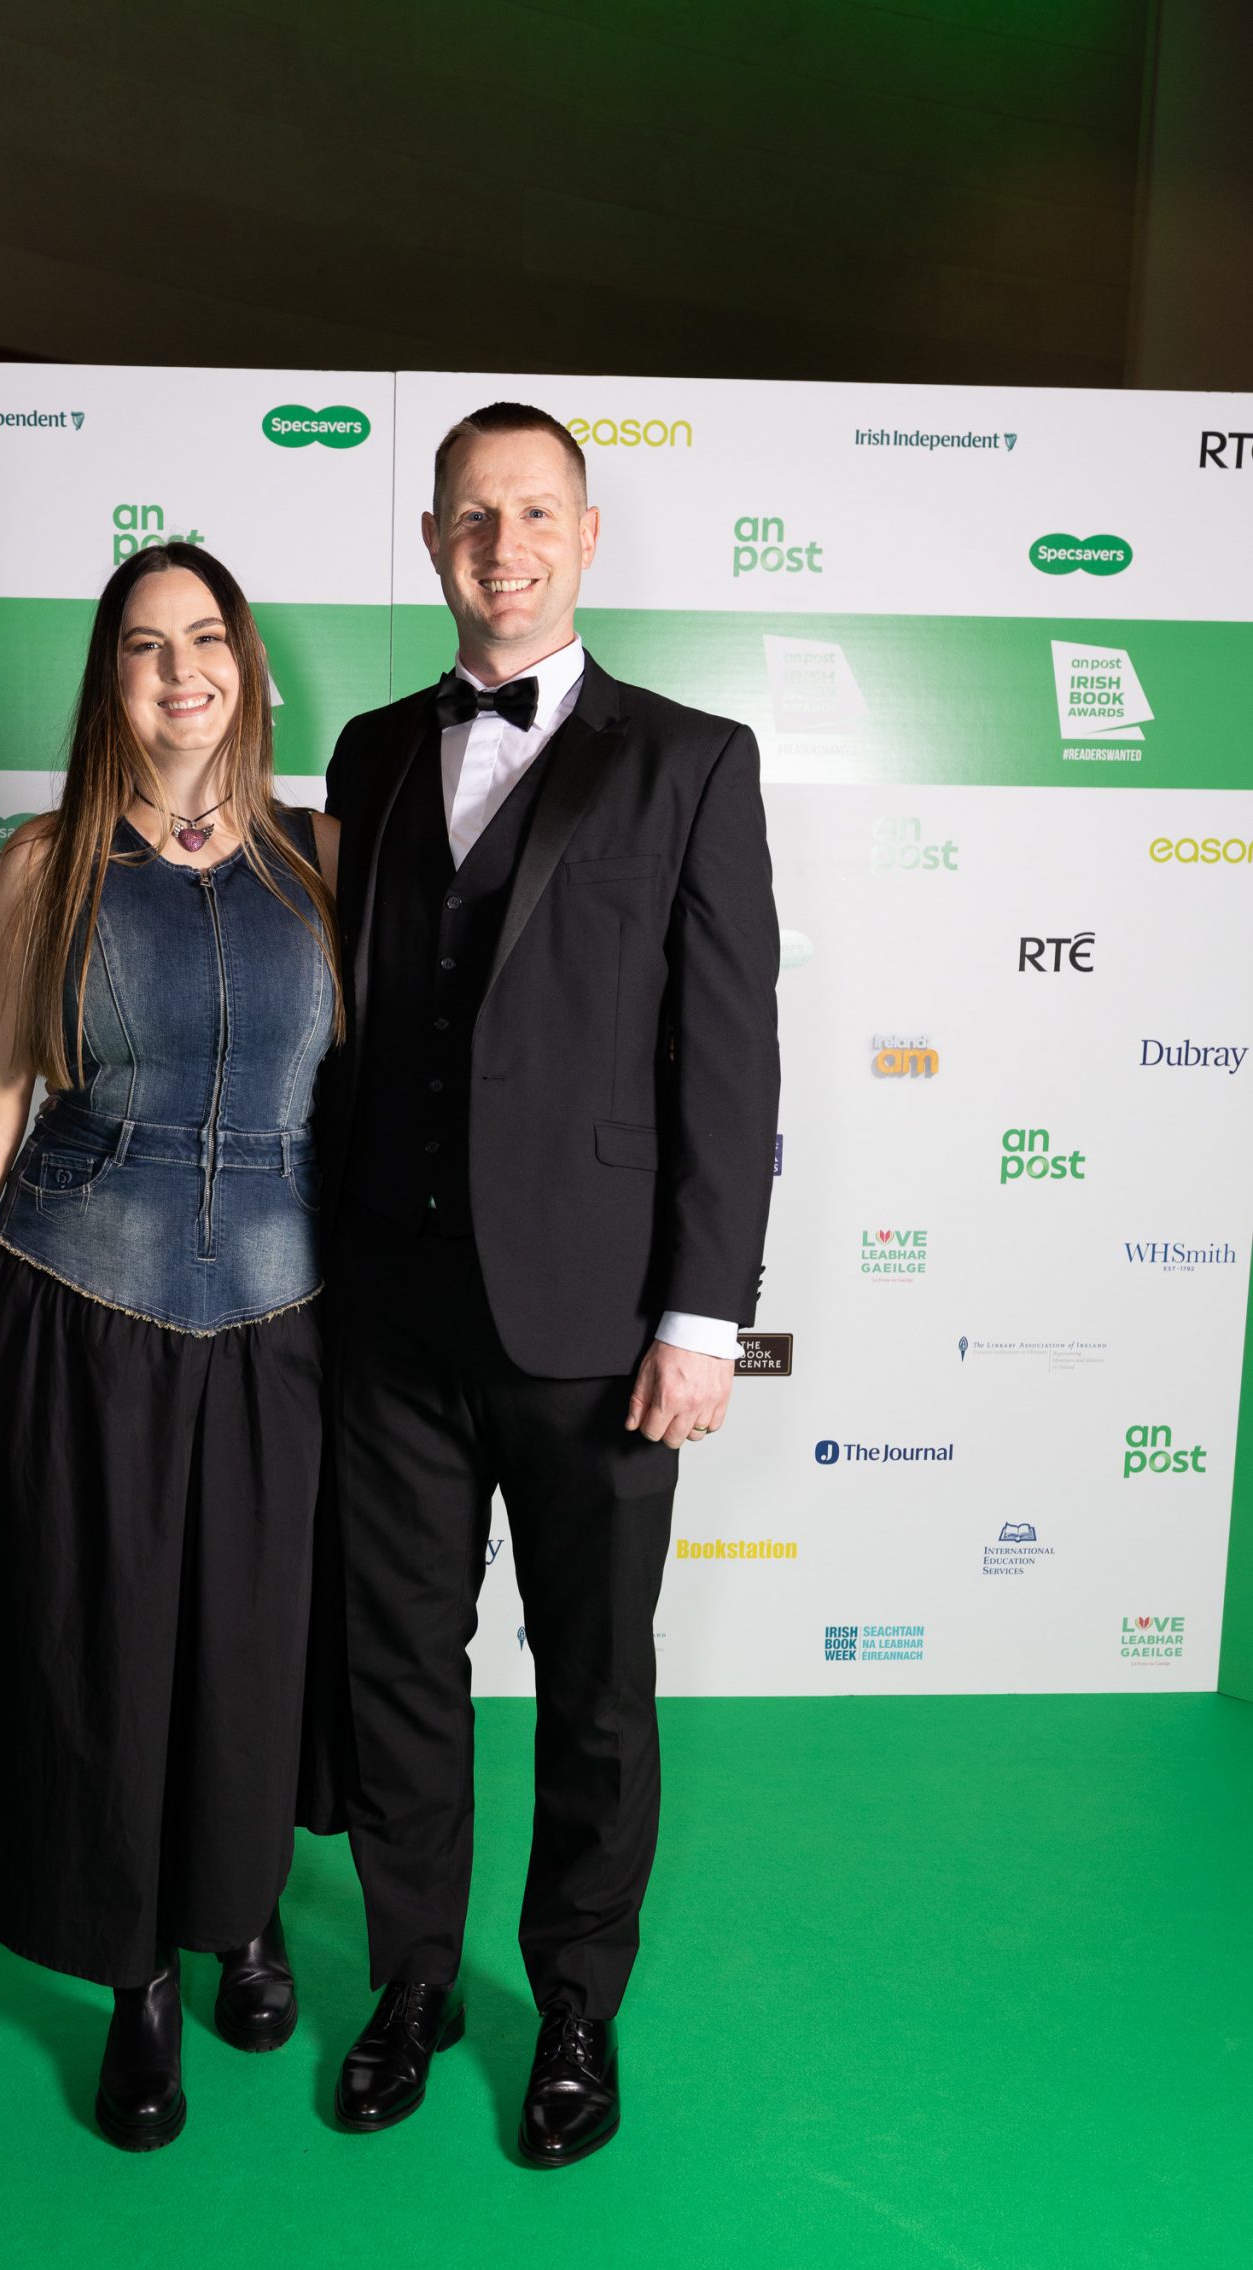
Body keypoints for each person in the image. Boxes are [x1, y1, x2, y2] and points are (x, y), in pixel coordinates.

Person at [317, 401, 781, 2166]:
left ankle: (578, 2003)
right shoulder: (369, 752)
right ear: (434, 540)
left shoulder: (694, 760)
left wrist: (701, 1317)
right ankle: (414, 1981)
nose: (499, 547)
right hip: (386, 1306)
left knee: (593, 1682)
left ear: (586, 539)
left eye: (532, 514)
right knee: (396, 1666)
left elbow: (726, 1059)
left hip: (597, 1324)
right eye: (469, 516)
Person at [0, 544, 341, 2152]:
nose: (181, 672)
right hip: (78, 1311)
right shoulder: (41, 866)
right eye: (145, 646)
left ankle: (244, 1910)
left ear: (248, 666)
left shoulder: (326, 857)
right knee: (111, 1654)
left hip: (286, 1323)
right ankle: (137, 1972)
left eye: (206, 639)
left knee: (253, 1651)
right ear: (108, 680)